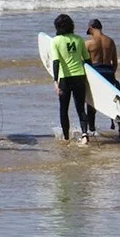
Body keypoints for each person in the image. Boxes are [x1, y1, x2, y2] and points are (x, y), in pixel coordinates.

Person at [50, 13, 92, 144]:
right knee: (80, 108)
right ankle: (85, 134)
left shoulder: (55, 41)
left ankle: (66, 137)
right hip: (79, 77)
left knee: (64, 109)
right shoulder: (79, 39)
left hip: (65, 79)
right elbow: (87, 60)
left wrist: (55, 82)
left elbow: (56, 62)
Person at [83, 18, 120, 139]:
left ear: (91, 28)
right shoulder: (110, 42)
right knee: (114, 102)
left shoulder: (88, 44)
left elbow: (85, 64)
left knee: (91, 103)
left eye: (89, 31)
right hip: (109, 73)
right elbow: (115, 62)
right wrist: (110, 74)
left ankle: (91, 130)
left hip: (96, 74)